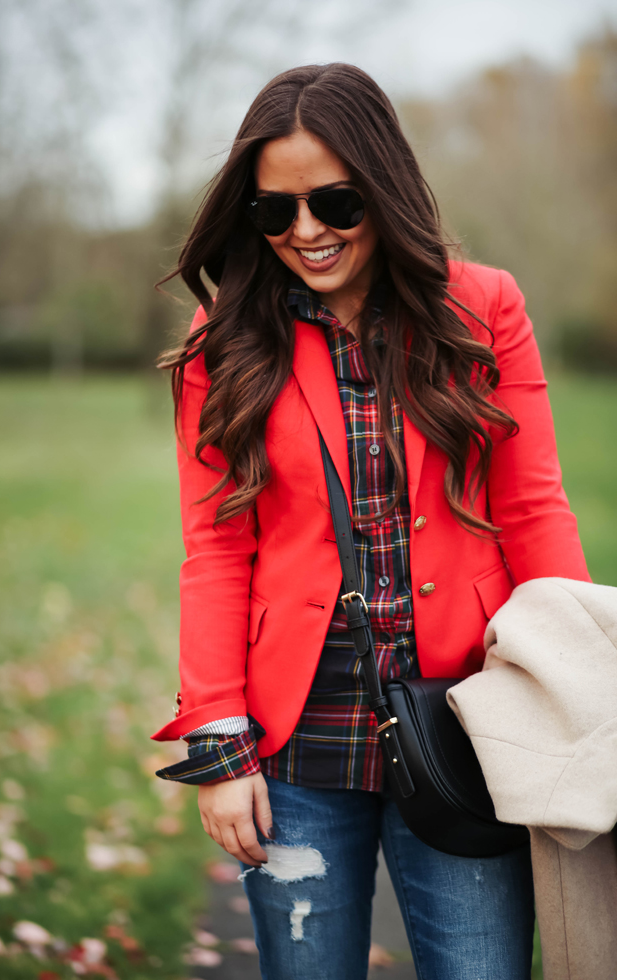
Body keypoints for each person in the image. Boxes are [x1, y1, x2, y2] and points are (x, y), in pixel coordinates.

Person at [152, 63, 590, 980]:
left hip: (468, 725)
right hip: (294, 749)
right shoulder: (222, 346)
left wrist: (578, 694)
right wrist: (219, 743)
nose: (306, 232)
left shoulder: (483, 309)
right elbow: (218, 549)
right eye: (275, 212)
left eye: (335, 203)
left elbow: (531, 507)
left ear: (384, 188)